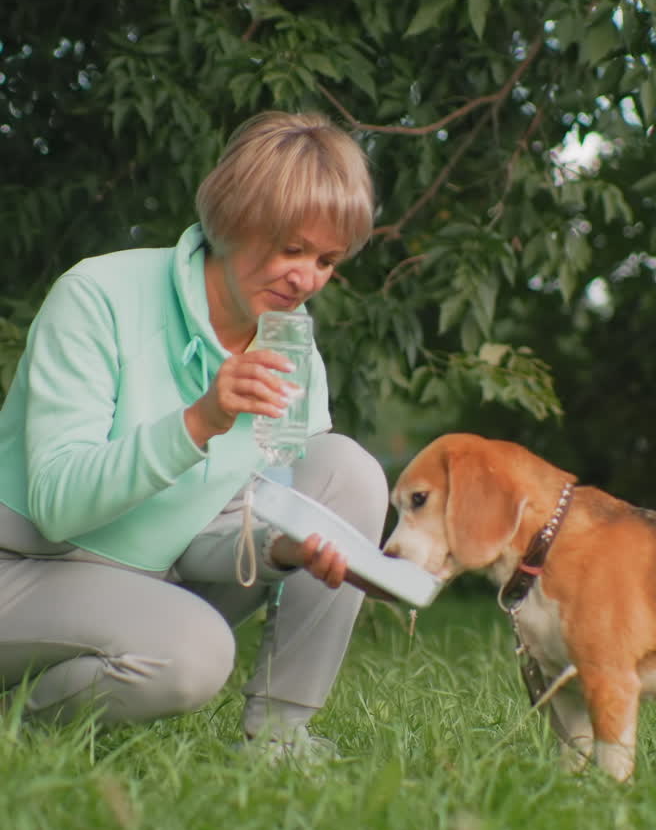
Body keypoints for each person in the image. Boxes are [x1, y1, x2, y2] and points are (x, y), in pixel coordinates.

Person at [0, 110, 388, 761]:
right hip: (24, 565)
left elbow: (208, 547)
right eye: (293, 249)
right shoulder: (100, 295)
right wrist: (201, 421)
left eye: (327, 259)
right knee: (193, 651)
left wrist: (286, 548)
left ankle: (280, 737)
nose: (309, 279)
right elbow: (59, 508)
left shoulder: (295, 355)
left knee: (346, 469)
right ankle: (15, 724)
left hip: (148, 580)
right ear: (234, 219)